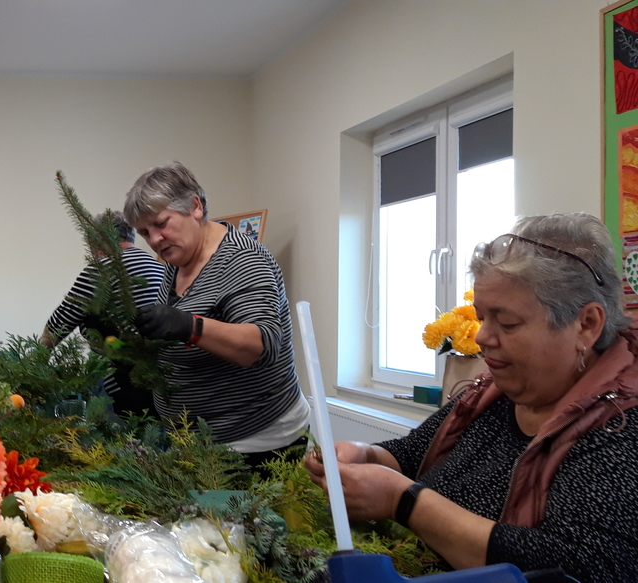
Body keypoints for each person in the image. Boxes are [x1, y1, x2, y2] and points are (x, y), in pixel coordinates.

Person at [305, 213, 638, 581]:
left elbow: (582, 567)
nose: (482, 338)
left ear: (586, 324)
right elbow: (413, 455)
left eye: (507, 323)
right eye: (481, 318)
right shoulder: (492, 394)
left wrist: (407, 503)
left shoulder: (621, 430)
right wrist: (364, 454)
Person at [124, 162, 309, 467]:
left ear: (195, 207)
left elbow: (259, 346)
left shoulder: (243, 259)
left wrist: (189, 326)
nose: (155, 239)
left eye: (161, 224)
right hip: (200, 442)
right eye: (145, 232)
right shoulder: (177, 260)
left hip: (256, 441)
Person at [40, 210, 165, 415]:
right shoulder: (158, 267)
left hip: (121, 382)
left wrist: (36, 363)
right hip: (160, 381)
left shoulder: (101, 269)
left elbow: (60, 322)